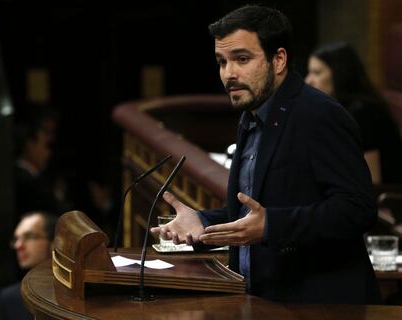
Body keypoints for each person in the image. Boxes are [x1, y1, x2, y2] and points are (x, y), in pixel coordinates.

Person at [151, 5, 381, 304]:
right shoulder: (251, 115)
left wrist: (272, 226)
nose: (229, 74)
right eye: (222, 62)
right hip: (261, 301)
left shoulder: (319, 115)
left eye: (242, 59)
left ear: (279, 59)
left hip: (320, 306)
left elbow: (357, 209)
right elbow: (260, 213)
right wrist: (203, 222)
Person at [305, 42, 402, 184]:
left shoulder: (364, 113)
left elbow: (373, 182)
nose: (308, 80)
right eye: (309, 72)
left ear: (340, 74)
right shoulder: (336, 110)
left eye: (317, 73)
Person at [0, 212, 58, 320]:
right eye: (16, 239)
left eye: (29, 236)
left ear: (54, 243)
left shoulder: (77, 295)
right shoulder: (9, 298)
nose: (18, 245)